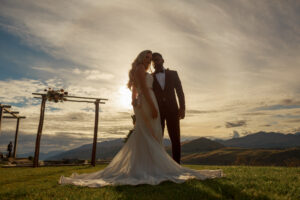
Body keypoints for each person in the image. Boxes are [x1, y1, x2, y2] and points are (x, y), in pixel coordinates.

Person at [58, 50, 223, 187]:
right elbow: (142, 87)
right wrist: (146, 105)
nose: (152, 60)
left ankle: (167, 166)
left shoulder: (164, 73)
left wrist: (181, 107)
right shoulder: (143, 71)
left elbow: (176, 91)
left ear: (162, 60)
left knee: (166, 137)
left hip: (166, 109)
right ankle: (155, 166)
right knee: (154, 135)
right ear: (143, 58)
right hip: (152, 106)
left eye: (153, 58)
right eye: (149, 57)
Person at [152, 52, 184, 164]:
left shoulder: (173, 74)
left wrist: (182, 108)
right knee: (157, 139)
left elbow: (180, 92)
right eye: (154, 60)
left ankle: (177, 165)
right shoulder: (150, 77)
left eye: (158, 59)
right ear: (152, 63)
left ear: (163, 60)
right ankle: (159, 165)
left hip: (173, 111)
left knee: (175, 138)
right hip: (157, 112)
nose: (156, 62)